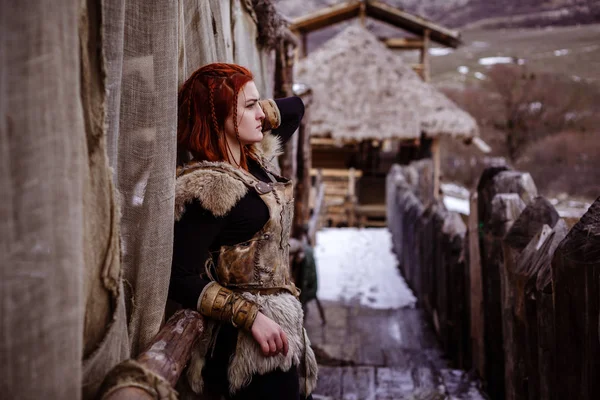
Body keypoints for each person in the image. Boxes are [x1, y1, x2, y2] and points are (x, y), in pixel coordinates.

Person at [169, 63, 317, 400]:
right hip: (245, 351)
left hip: (283, 331)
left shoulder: (253, 161)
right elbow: (178, 275)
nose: (261, 113)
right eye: (249, 107)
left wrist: (245, 102)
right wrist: (249, 317)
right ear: (219, 117)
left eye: (258, 103)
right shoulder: (211, 187)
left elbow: (295, 108)